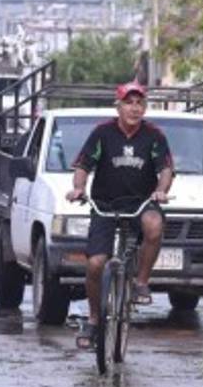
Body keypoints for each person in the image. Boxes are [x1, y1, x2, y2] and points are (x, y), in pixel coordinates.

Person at [66, 81, 173, 349]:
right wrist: (78, 188)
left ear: (145, 107)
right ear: (119, 106)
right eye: (129, 103)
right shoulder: (102, 133)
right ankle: (92, 320)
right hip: (105, 205)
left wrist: (161, 191)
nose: (135, 108)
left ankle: (141, 283)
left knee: (155, 225)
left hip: (140, 203)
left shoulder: (154, 135)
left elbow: (166, 169)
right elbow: (83, 164)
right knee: (95, 264)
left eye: (140, 103)